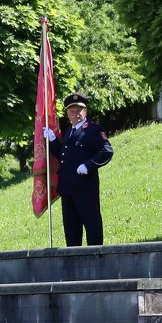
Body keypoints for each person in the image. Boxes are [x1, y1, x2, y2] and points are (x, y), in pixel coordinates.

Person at [54, 93, 113, 247]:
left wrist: (88, 165)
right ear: (67, 114)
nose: (76, 114)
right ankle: (73, 257)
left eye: (79, 110)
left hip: (85, 188)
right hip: (68, 188)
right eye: (72, 111)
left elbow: (106, 151)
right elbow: (65, 156)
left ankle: (96, 255)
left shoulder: (92, 130)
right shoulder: (70, 132)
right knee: (71, 230)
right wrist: (52, 141)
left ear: (85, 111)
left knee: (92, 225)